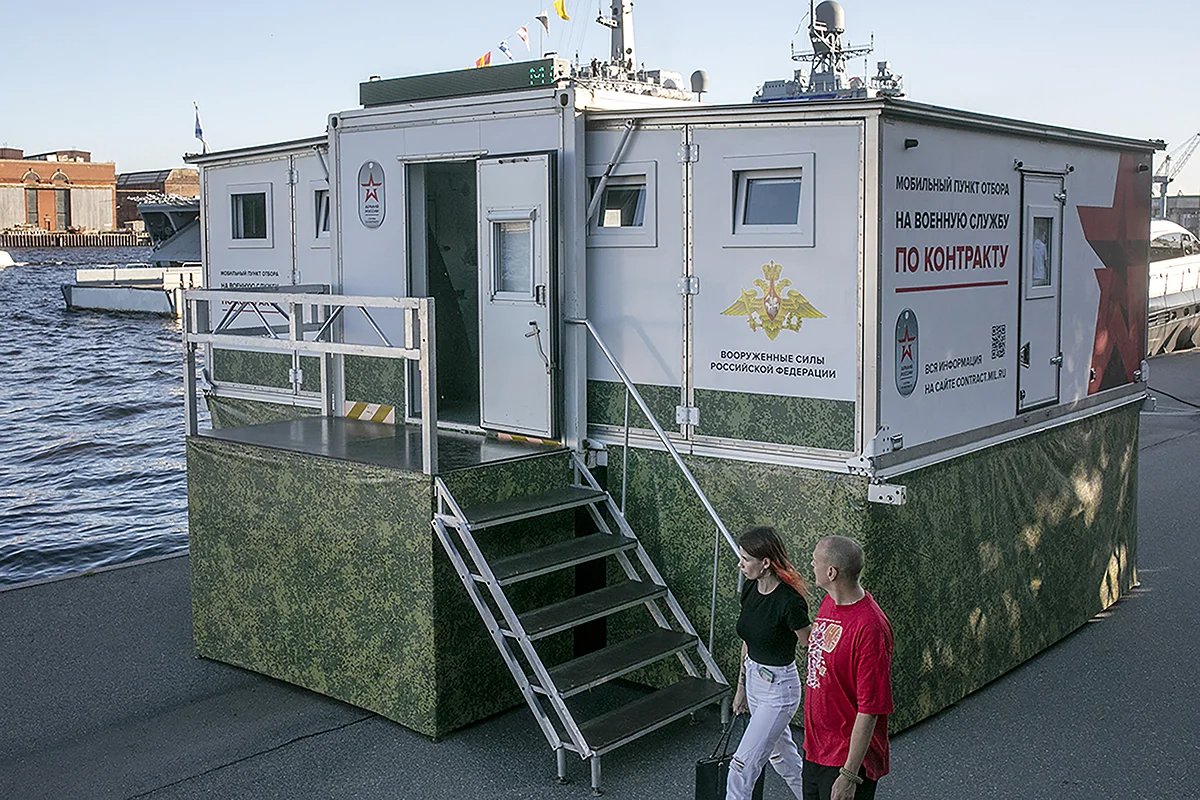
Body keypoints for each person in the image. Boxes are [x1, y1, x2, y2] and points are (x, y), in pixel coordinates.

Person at [802, 535, 894, 800]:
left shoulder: (870, 628)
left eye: (815, 561)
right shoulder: (829, 601)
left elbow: (870, 710)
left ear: (831, 572)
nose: (811, 564)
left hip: (846, 762)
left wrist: (849, 775)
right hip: (816, 751)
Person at [726, 526, 812, 800]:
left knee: (741, 765)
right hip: (753, 679)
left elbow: (809, 643)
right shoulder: (750, 588)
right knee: (783, 760)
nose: (740, 564)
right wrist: (741, 690)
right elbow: (747, 641)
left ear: (765, 563)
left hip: (779, 690)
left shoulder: (790, 602)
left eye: (746, 559)